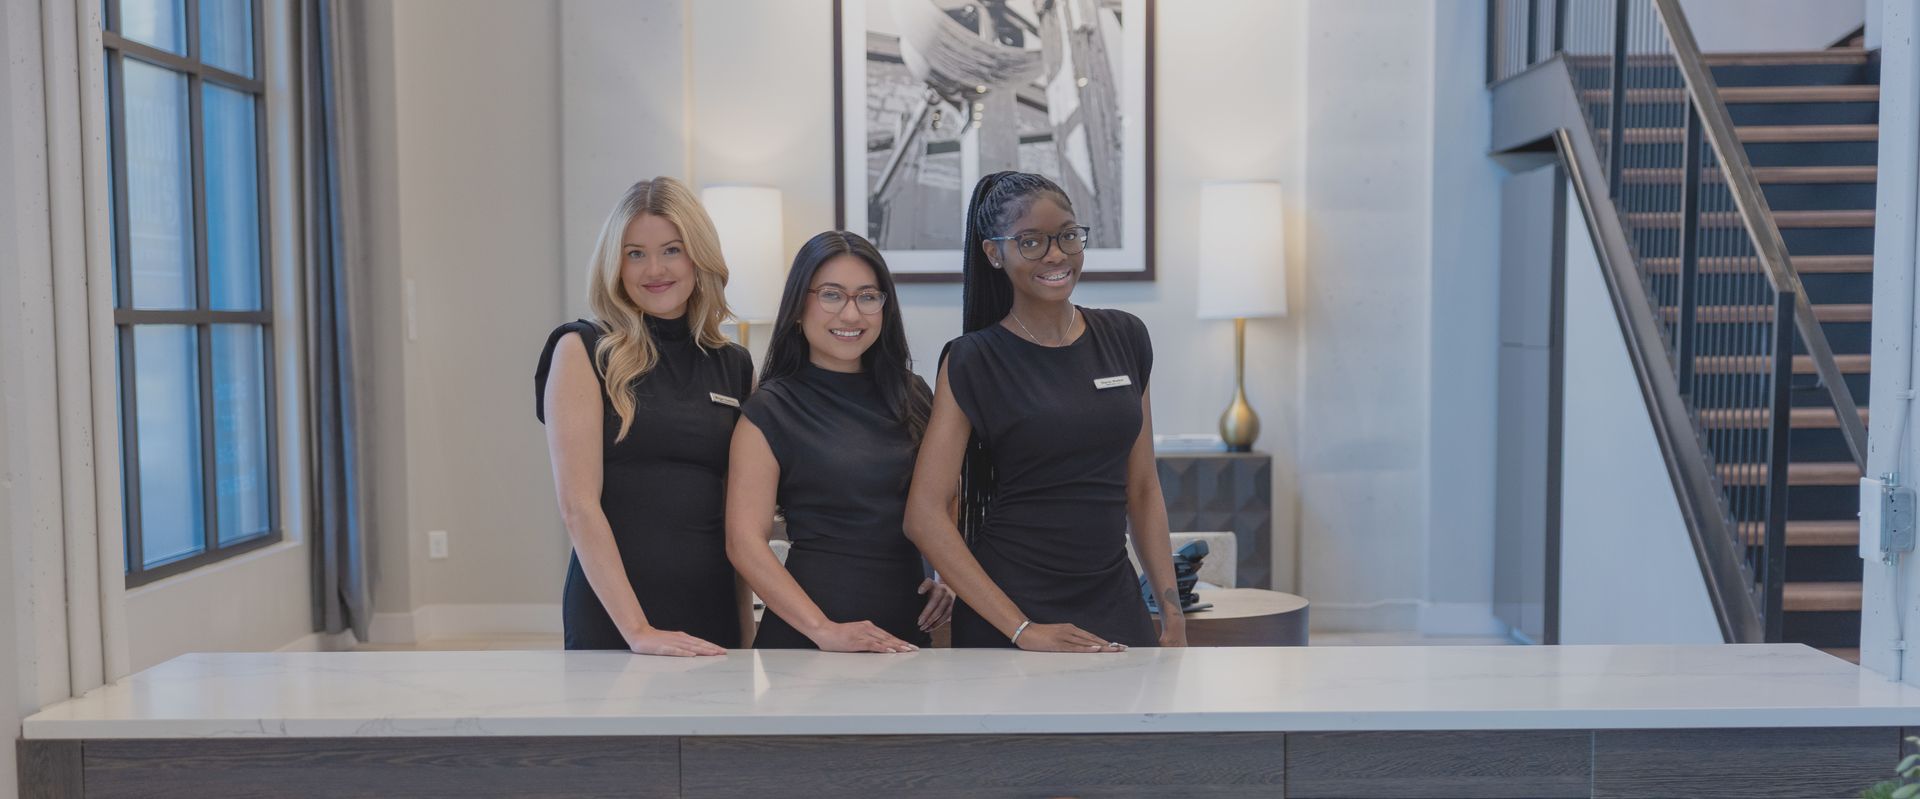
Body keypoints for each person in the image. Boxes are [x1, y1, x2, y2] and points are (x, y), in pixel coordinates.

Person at [904, 171, 1187, 652]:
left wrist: (1172, 612)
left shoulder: (1125, 337)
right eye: (1031, 241)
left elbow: (1141, 488)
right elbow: (924, 514)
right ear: (994, 253)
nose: (1056, 254)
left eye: (1068, 236)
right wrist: (1021, 629)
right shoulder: (973, 358)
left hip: (1113, 596)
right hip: (1012, 607)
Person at [535, 177, 754, 655]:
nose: (654, 269)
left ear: (699, 256)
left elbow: (735, 514)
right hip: (616, 616)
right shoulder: (582, 349)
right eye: (635, 253)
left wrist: (745, 630)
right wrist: (638, 631)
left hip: (710, 605)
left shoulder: (733, 364)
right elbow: (578, 507)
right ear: (615, 263)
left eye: (671, 250)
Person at [727, 231, 955, 652]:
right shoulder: (770, 409)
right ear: (799, 306)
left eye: (868, 297)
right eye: (832, 295)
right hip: (811, 636)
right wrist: (823, 629)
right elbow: (744, 543)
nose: (851, 314)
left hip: (909, 632)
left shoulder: (914, 393)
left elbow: (946, 497)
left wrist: (947, 576)